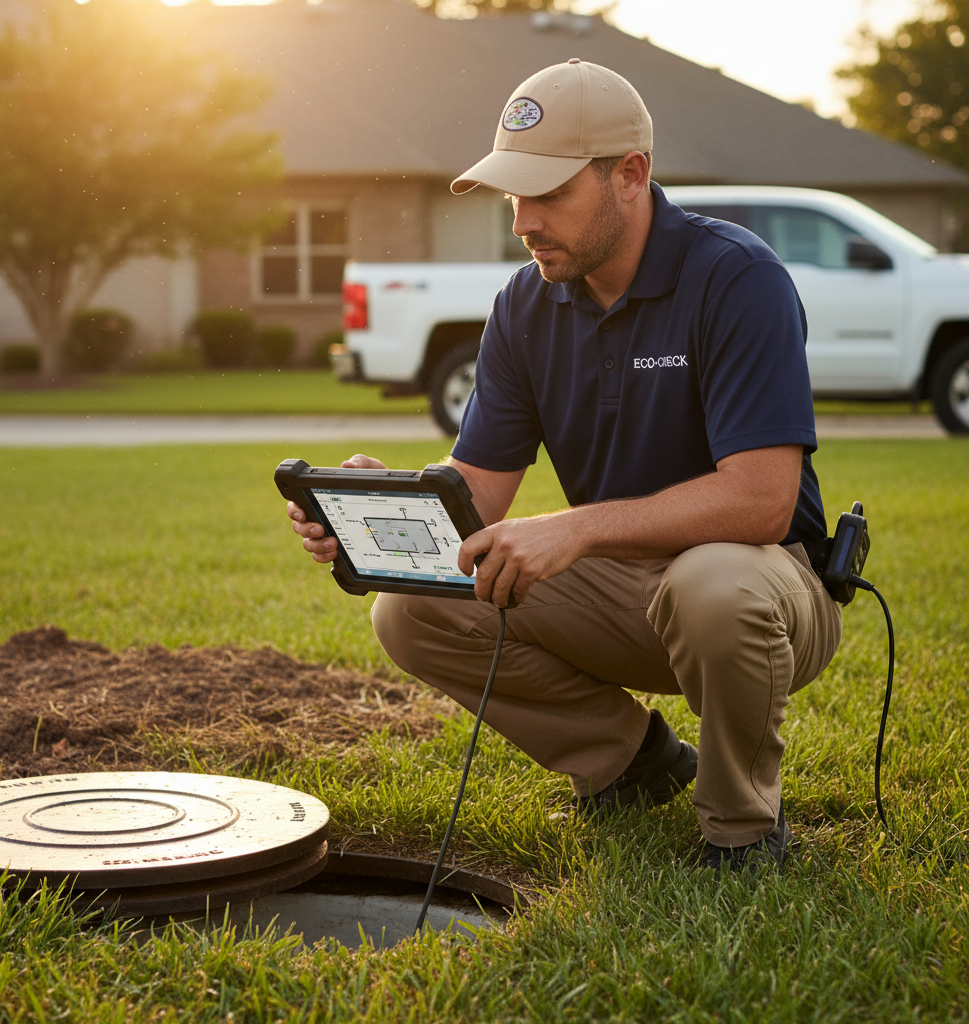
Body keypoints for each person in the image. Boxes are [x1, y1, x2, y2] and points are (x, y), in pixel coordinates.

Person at [288, 59, 843, 870]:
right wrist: (385, 505)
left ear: (631, 174)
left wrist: (574, 529)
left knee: (713, 582)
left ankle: (742, 829)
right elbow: (474, 496)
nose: (522, 220)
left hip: (766, 589)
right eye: (515, 195)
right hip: (622, 587)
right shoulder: (524, 304)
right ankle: (629, 761)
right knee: (409, 610)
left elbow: (762, 500)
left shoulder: (736, 278)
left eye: (548, 194)